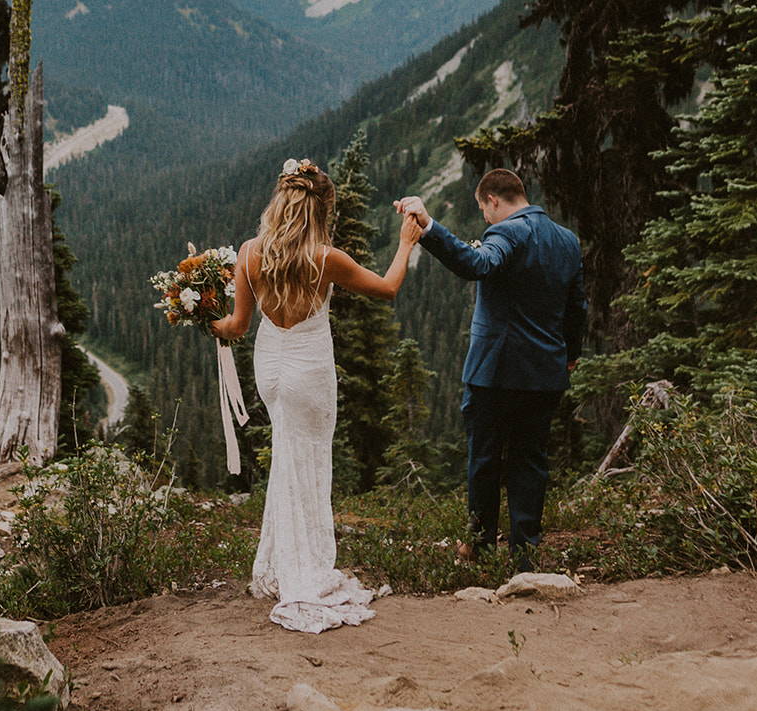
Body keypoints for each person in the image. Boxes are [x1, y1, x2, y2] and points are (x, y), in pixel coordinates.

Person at [212, 158, 426, 632]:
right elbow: (388, 289)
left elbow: (238, 326)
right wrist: (405, 243)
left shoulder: (249, 253)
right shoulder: (326, 258)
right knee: (306, 458)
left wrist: (205, 317)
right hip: (308, 367)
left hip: (270, 365)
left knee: (287, 455)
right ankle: (302, 568)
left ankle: (280, 559)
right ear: (323, 209)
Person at [395, 168, 585, 573]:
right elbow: (576, 305)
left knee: (485, 460)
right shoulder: (567, 240)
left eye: (483, 208)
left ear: (494, 200)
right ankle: (525, 554)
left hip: (495, 372)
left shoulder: (507, 233)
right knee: (530, 463)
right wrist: (570, 353)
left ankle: (479, 546)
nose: (484, 218)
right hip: (544, 371)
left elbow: (476, 264)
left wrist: (428, 226)